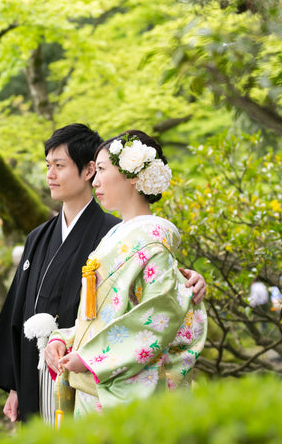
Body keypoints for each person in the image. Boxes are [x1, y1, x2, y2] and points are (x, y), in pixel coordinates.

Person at [0, 124, 206, 424]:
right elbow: (24, 310)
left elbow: (155, 308)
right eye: (48, 166)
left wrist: (187, 279)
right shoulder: (46, 237)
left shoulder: (126, 233)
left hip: (95, 371)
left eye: (59, 166)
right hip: (56, 362)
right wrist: (17, 380)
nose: (50, 175)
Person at [44, 131, 208, 419]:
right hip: (97, 383)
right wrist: (64, 339)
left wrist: (94, 357)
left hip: (120, 391)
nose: (94, 181)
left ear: (133, 175)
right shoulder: (118, 236)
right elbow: (105, 317)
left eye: (102, 170)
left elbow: (159, 315)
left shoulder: (153, 241)